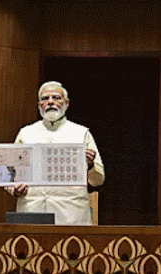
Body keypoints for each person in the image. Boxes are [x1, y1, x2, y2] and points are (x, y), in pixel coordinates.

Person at [6, 81, 105, 225]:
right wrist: (14, 190)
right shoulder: (25, 133)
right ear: (39, 105)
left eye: (56, 98)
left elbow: (98, 179)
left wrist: (89, 166)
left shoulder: (81, 133)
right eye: (45, 98)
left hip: (71, 214)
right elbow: (9, 173)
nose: (51, 102)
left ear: (66, 104)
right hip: (32, 210)